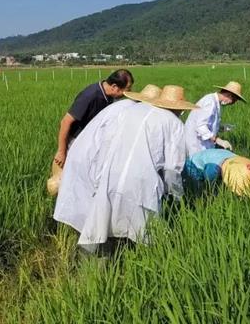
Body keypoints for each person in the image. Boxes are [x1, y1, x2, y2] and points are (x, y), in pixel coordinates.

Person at [76, 85, 198, 251]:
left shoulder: (131, 111)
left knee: (101, 225)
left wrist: (99, 177)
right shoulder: (174, 123)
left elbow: (106, 143)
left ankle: (94, 269)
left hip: (111, 173)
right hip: (143, 181)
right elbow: (172, 168)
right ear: (180, 109)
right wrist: (176, 195)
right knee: (146, 235)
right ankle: (146, 263)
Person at [53, 85, 162, 231]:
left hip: (87, 153)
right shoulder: (128, 112)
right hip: (92, 156)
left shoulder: (122, 107)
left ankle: (86, 233)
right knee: (91, 204)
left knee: (89, 202)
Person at [53, 69, 134, 168]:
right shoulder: (90, 96)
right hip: (75, 142)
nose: (128, 93)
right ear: (114, 87)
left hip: (90, 142)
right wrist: (61, 152)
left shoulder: (109, 95)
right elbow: (65, 122)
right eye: (127, 89)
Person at [184, 81, 246, 156]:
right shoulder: (210, 102)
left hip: (202, 143)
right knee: (197, 164)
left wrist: (221, 127)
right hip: (196, 143)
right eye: (233, 101)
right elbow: (201, 126)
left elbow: (209, 123)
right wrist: (218, 140)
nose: (231, 104)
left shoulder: (215, 102)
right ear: (229, 95)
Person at [183, 149, 250, 197]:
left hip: (219, 159)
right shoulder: (212, 168)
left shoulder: (238, 160)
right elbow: (207, 181)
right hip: (195, 164)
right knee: (201, 185)